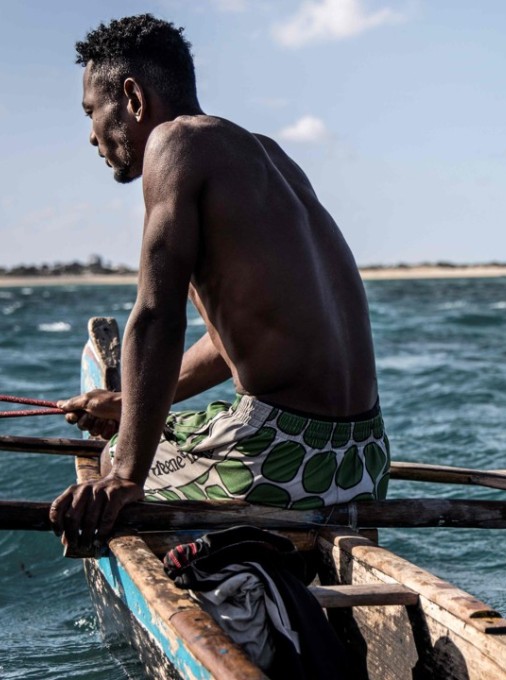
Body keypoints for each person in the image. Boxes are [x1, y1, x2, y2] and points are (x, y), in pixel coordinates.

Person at [49, 14, 389, 552]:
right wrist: (127, 399)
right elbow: (245, 334)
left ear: (133, 99)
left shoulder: (173, 144)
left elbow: (157, 317)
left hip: (284, 460)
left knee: (113, 456)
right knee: (158, 426)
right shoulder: (265, 153)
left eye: (92, 111)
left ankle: (223, 563)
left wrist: (126, 476)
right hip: (364, 459)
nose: (92, 134)